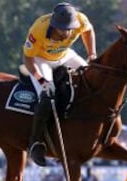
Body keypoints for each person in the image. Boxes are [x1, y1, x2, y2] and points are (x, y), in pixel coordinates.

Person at [23, 2, 97, 166]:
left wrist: (92, 54)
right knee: (48, 96)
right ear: (53, 25)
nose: (66, 32)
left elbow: (89, 30)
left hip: (65, 56)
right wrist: (41, 80)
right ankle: (35, 143)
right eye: (62, 29)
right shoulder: (39, 29)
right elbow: (27, 58)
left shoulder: (80, 19)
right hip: (41, 60)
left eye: (69, 28)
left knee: (92, 79)